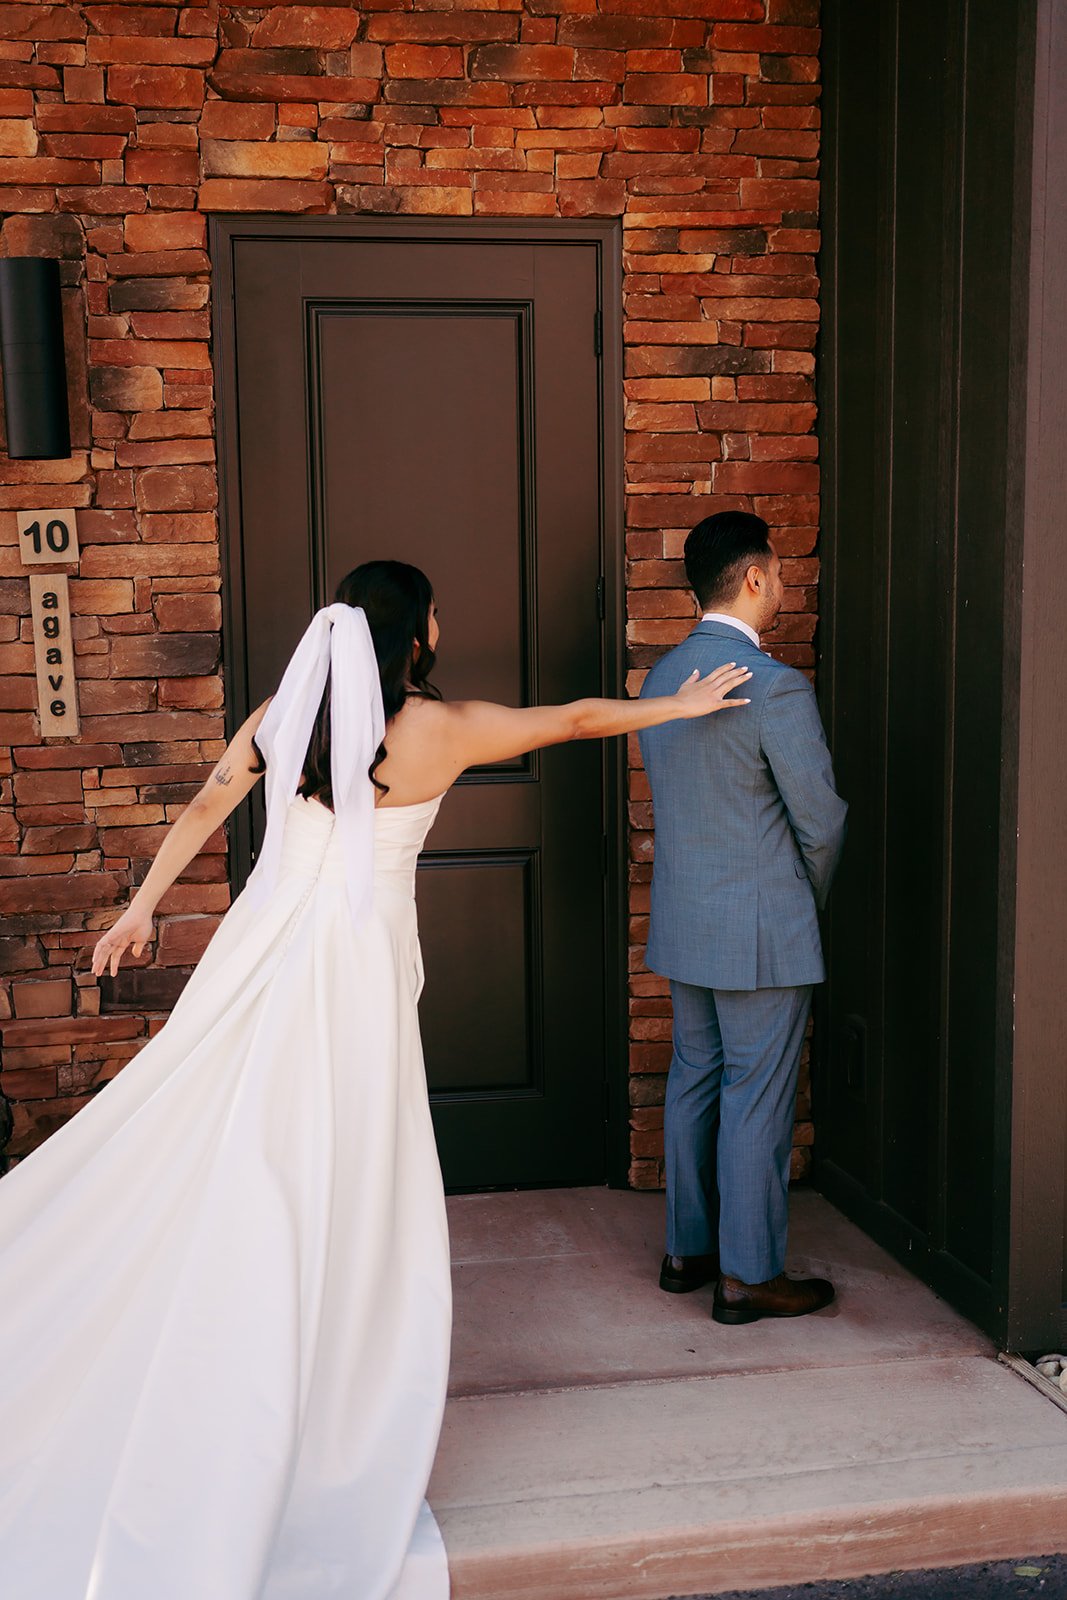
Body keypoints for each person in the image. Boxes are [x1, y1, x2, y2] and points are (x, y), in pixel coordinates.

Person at [0, 559, 753, 1600]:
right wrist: (676, 702)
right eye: (435, 612)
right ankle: (296, 1329)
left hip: (260, 947)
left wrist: (140, 909)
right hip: (350, 970)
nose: (441, 623)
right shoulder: (444, 731)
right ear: (414, 637)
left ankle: (220, 1291)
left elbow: (207, 806)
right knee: (335, 1152)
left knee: (216, 1120)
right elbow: (575, 720)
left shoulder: (284, 714)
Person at [638, 513, 848, 1326]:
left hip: (687, 919)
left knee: (694, 1078)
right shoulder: (776, 686)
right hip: (762, 927)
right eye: (781, 572)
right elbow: (820, 824)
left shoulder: (662, 678)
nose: (785, 586)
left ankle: (687, 1252)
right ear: (754, 578)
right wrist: (806, 901)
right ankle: (750, 1276)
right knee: (753, 1096)